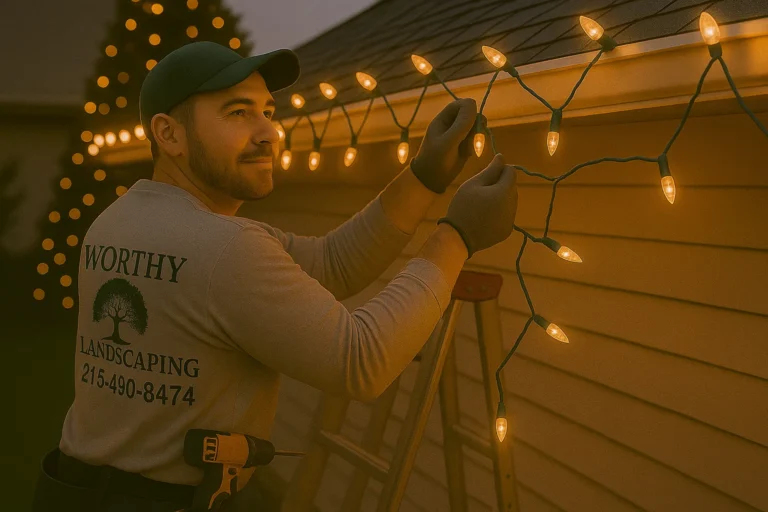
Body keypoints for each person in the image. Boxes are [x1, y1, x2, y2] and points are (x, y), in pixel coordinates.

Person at [32, 40, 518, 511]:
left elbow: (332, 264)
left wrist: (424, 177)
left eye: (268, 111)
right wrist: (457, 237)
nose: (268, 132)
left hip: (73, 493)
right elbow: (361, 360)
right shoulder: (224, 248)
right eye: (238, 112)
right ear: (169, 134)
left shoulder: (115, 223)